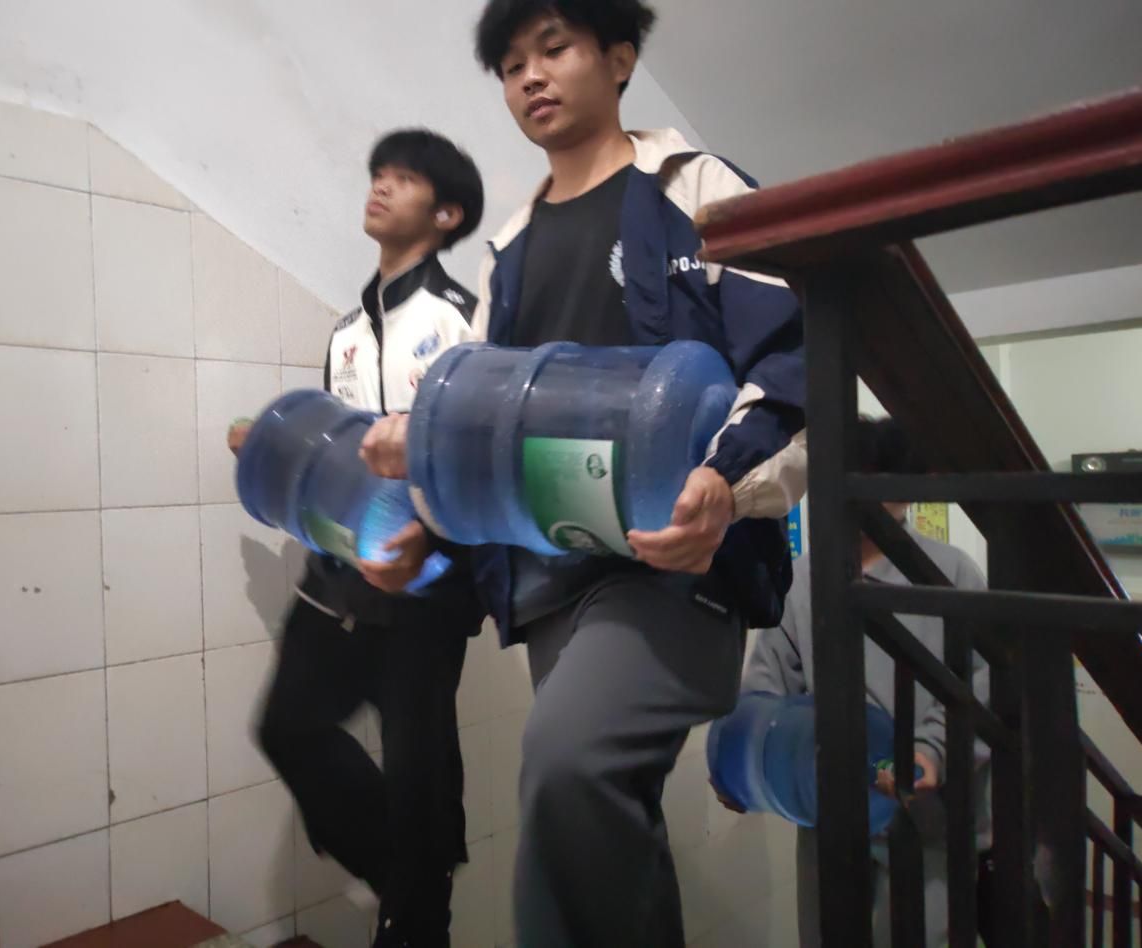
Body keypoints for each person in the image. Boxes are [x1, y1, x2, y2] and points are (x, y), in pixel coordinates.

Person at [358, 3, 807, 944]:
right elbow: (482, 429)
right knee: (588, 814)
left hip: (676, 565)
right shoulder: (510, 254)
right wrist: (424, 522)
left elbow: (791, 362)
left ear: (620, 57)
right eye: (511, 64)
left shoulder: (697, 190)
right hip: (553, 574)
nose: (530, 76)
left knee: (568, 763)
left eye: (553, 48)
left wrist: (725, 485)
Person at [229, 128, 486, 948]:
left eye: (403, 178)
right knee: (287, 728)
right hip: (337, 571)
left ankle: (414, 914)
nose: (380, 186)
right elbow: (334, 450)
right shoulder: (345, 332)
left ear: (446, 214)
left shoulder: (463, 322)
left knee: (419, 771)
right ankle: (409, 881)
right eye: (378, 173)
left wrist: (434, 547)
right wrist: (266, 446)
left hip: (427, 582)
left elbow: (481, 457)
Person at [736, 416, 991, 948]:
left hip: (928, 825)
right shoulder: (802, 580)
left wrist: (930, 750)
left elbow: (979, 686)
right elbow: (766, 691)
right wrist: (745, 762)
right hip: (831, 822)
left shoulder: (950, 574)